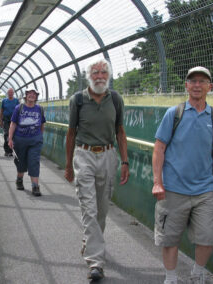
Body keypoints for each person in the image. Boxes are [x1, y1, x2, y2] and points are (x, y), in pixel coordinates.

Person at [152, 66, 213, 284]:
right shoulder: (174, 114)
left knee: (207, 238)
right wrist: (158, 182)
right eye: (192, 81)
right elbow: (159, 148)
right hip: (173, 189)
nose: (197, 85)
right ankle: (171, 278)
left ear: (209, 87)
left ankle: (197, 273)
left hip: (204, 190)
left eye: (202, 81)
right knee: (170, 239)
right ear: (186, 85)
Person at [64, 58, 130, 281]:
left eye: (103, 72)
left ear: (108, 76)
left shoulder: (116, 99)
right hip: (84, 155)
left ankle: (89, 242)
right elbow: (71, 133)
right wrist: (68, 166)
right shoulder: (78, 100)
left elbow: (120, 131)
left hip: (109, 155)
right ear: (88, 76)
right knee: (89, 209)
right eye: (95, 73)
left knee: (102, 209)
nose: (99, 76)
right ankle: (96, 263)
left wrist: (125, 161)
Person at [8, 87, 46, 197]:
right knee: (21, 162)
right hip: (20, 140)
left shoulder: (39, 109)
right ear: (26, 96)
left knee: (34, 162)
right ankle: (19, 179)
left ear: (36, 97)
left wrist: (40, 136)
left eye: (34, 94)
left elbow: (42, 124)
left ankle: (35, 186)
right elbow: (13, 124)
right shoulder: (18, 108)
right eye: (30, 93)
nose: (32, 95)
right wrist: (10, 139)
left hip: (35, 140)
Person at [0, 88, 20, 156]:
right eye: (9, 92)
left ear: (13, 93)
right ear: (7, 93)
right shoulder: (4, 101)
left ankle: (10, 151)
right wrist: (0, 121)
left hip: (14, 120)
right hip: (6, 119)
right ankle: (6, 150)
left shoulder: (16, 101)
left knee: (12, 135)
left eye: (11, 92)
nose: (10, 94)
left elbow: (19, 111)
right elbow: (1, 111)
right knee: (6, 134)